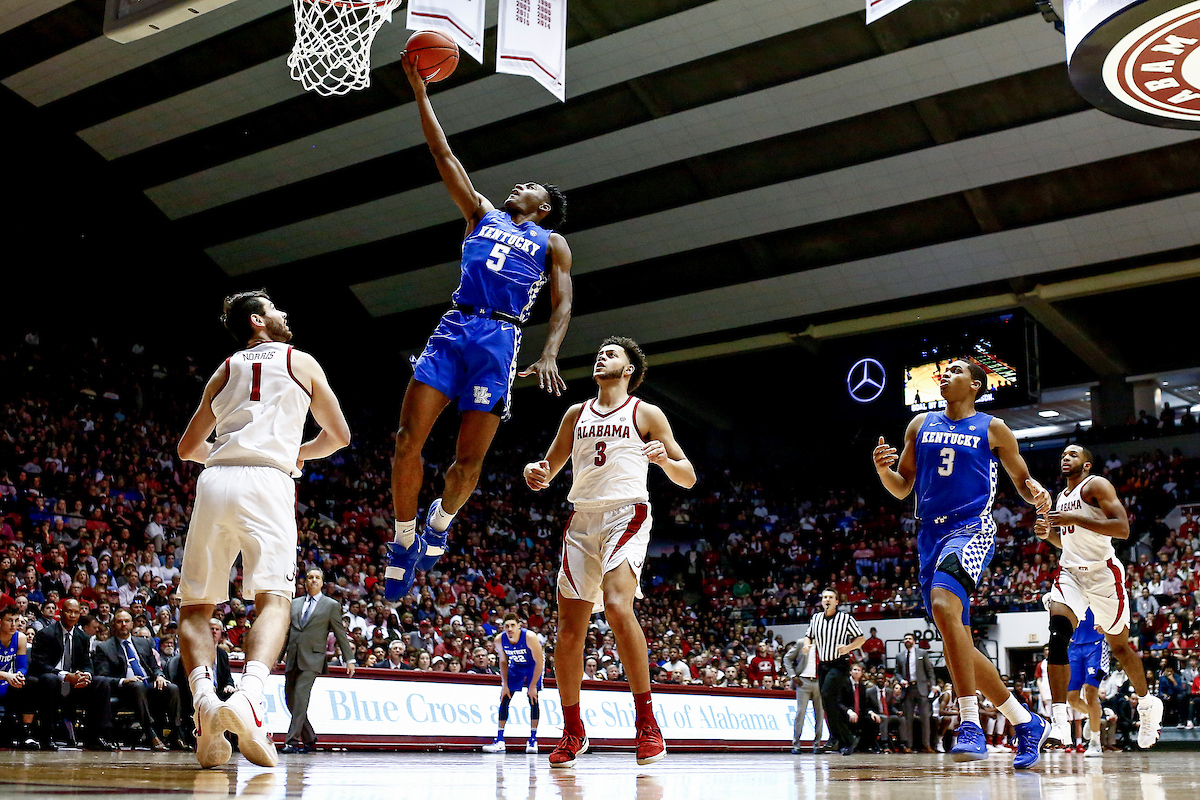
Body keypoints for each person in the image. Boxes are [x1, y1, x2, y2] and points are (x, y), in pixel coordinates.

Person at [385, 53, 574, 602]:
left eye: (530, 186)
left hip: (500, 340)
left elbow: (562, 305)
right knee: (405, 442)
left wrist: (551, 352)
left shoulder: (552, 244)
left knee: (467, 463)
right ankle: (402, 541)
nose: (519, 185)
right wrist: (421, 92)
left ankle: (440, 523)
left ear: (542, 209)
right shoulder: (481, 215)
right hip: (454, 328)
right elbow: (443, 154)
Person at [176, 290, 351, 768]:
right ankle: (249, 696)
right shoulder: (301, 362)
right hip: (268, 480)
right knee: (273, 600)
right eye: (275, 308)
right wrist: (295, 453)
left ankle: (206, 706)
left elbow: (188, 446)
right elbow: (338, 437)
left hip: (216, 480)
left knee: (194, 608)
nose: (284, 313)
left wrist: (226, 453)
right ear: (258, 321)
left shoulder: (225, 368)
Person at [523, 336, 695, 768]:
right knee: (569, 631)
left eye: (612, 353)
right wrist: (535, 472)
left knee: (619, 607)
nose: (602, 355)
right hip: (582, 519)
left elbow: (688, 476)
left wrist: (664, 462)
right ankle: (573, 732)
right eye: (600, 351)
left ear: (630, 371)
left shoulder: (646, 413)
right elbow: (549, 468)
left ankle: (647, 725)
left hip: (627, 512)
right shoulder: (575, 414)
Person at [873, 358, 1053, 768]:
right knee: (958, 637)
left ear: (974, 385)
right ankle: (1025, 722)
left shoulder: (993, 428)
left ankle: (969, 723)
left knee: (942, 605)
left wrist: (1037, 492)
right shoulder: (919, 425)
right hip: (929, 535)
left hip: (971, 527)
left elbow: (1022, 481)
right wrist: (884, 471)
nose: (944, 376)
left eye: (953, 371)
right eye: (944, 372)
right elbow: (903, 488)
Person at [1036, 444, 1164, 751]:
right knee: (1058, 634)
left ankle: (1147, 706)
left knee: (1120, 647)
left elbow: (1122, 529)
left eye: (1074, 454)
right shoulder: (1061, 497)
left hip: (1104, 574)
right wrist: (1047, 535)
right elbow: (1068, 543)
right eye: (1064, 454)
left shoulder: (1096, 486)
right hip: (1071, 573)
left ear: (1087, 465)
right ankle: (1059, 723)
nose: (1066, 457)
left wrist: (1074, 520)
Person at [282, 568, 356, 754]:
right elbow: (287, 632)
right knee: (290, 700)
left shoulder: (330, 605)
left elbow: (340, 633)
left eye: (317, 577)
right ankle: (309, 737)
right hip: (293, 656)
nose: (313, 580)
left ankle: (292, 741)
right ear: (305, 582)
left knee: (300, 698)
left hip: (313, 658)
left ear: (322, 583)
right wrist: (278, 655)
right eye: (310, 577)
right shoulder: (295, 603)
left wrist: (349, 658)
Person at [29, 598, 116, 751]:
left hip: (74, 685)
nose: (72, 615)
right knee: (50, 679)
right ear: (61, 612)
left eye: (76, 612)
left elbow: (87, 663)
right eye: (69, 611)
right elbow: (39, 664)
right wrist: (64, 675)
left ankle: (96, 736)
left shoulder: (82, 637)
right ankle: (46, 736)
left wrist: (86, 675)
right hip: (51, 683)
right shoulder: (45, 634)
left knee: (101, 682)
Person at [93, 609, 181, 751]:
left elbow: (155, 667)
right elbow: (103, 677)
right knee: (137, 685)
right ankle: (150, 731)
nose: (123, 624)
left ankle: (177, 734)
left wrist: (159, 676)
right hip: (125, 690)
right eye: (119, 622)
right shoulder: (104, 648)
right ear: (113, 624)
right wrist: (124, 680)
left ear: (132, 624)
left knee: (172, 688)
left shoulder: (143, 643)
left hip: (148, 685)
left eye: (126, 621)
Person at [802, 588, 865, 755]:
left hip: (839, 664)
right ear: (822, 601)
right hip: (823, 665)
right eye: (824, 597)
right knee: (828, 702)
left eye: (830, 597)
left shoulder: (845, 618)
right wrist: (807, 644)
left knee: (827, 695)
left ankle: (837, 737)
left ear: (837, 602)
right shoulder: (815, 618)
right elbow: (809, 635)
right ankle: (845, 739)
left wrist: (848, 648)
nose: (827, 599)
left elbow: (861, 639)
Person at [482, 613, 545, 754]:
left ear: (519, 626)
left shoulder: (530, 637)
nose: (509, 628)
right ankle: (499, 740)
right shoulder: (499, 640)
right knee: (505, 698)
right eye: (506, 626)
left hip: (532, 666)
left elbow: (539, 662)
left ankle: (533, 740)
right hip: (515, 666)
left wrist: (533, 685)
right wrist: (504, 684)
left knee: (533, 698)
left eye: (512, 625)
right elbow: (503, 662)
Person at [0, 605, 39, 749]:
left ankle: (26, 732)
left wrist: (18, 676)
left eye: (16, 620)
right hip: (3, 679)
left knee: (31, 682)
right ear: (0, 622)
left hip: (6, 682)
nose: (13, 624)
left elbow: (22, 666)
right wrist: (7, 676)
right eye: (9, 620)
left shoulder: (20, 638)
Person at [895, 632, 936, 753]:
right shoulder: (900, 656)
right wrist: (901, 680)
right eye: (905, 639)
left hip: (921, 687)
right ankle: (909, 745)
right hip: (908, 689)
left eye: (909, 638)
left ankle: (926, 745)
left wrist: (933, 685)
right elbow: (896, 672)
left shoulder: (922, 653)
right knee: (908, 719)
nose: (907, 640)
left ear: (914, 641)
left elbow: (930, 671)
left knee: (925, 718)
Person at [782, 635, 823, 754]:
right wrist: (793, 676)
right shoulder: (801, 642)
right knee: (801, 713)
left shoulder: (825, 645)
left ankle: (817, 744)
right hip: (803, 681)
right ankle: (796, 744)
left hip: (819, 681)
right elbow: (787, 658)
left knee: (820, 714)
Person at [842, 664, 882, 752]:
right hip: (846, 713)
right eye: (854, 670)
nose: (856, 672)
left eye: (858, 670)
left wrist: (871, 712)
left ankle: (867, 745)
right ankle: (846, 745)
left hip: (859, 714)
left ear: (861, 673)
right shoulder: (844, 684)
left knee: (872, 720)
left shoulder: (862, 687)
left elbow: (864, 705)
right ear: (850, 672)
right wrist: (849, 711)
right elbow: (839, 703)